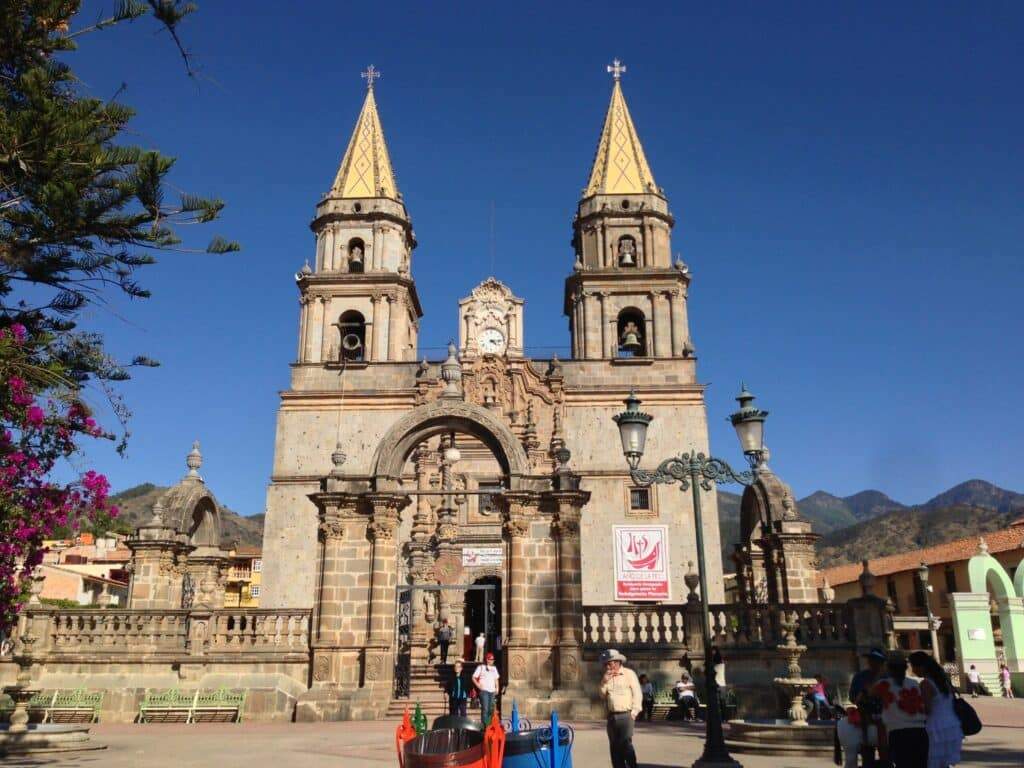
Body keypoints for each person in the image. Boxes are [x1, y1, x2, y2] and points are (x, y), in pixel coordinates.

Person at [870, 653, 928, 768]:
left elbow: (867, 694)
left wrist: (880, 674)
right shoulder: (914, 683)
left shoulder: (883, 684)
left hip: (898, 732)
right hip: (920, 731)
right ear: (906, 668)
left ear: (888, 668)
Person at [909, 650, 963, 768]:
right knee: (945, 764)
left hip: (935, 727)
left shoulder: (926, 683)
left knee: (933, 762)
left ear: (921, 667)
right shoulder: (944, 681)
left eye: (913, 666)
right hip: (951, 725)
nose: (913, 670)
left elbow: (927, 709)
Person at [599, 649, 641, 768]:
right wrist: (603, 681)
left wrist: (635, 711)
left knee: (625, 744)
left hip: (626, 715)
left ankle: (632, 766)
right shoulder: (607, 676)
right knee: (614, 746)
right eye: (605, 664)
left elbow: (637, 692)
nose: (607, 666)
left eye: (609, 663)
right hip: (612, 716)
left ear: (617, 662)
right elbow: (602, 695)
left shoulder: (629, 674)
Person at [846, 647, 886, 768]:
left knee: (886, 755)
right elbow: (852, 697)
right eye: (871, 660)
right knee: (867, 752)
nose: (873, 663)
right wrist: (863, 694)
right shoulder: (860, 677)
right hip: (865, 714)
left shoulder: (888, 677)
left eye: (877, 660)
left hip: (886, 714)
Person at [472, 651, 500, 726]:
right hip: (484, 691)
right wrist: (478, 685)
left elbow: (496, 679)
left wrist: (497, 688)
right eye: (491, 659)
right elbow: (473, 677)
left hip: (492, 691)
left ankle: (490, 725)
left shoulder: (494, 668)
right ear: (487, 659)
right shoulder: (481, 667)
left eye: (493, 659)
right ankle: (484, 725)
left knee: (491, 709)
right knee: (485, 708)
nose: (492, 660)